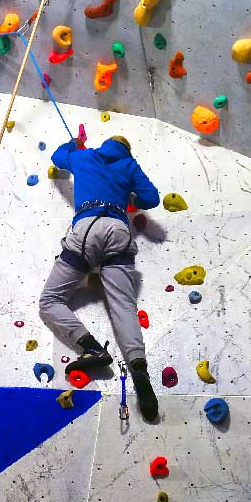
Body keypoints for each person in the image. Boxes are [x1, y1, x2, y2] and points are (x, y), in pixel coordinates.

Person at [38, 135, 160, 421]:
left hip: (86, 228)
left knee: (50, 301)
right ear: (126, 150)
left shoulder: (84, 156)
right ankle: (139, 368)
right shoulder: (129, 165)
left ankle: (91, 348)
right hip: (118, 229)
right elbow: (151, 199)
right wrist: (131, 196)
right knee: (123, 307)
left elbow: (57, 156)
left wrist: (71, 145)